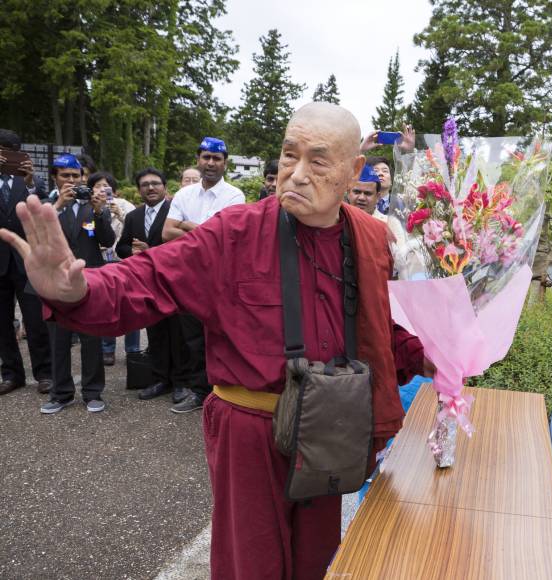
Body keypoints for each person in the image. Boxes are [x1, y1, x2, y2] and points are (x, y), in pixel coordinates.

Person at [2, 102, 427, 579]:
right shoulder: (236, 231)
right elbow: (149, 279)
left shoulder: (371, 239)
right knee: (252, 564)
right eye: (289, 156)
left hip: (329, 426)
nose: (297, 174)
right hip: (250, 430)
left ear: (354, 172)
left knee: (319, 561)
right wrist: (79, 290)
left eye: (319, 161)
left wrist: (433, 354)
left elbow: (379, 327)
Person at [162, 137, 245, 414]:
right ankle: (199, 391)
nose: (211, 163)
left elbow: (222, 238)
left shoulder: (234, 196)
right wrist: (201, 229)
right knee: (192, 337)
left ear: (225, 163)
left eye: (217, 158)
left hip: (220, 277)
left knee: (220, 334)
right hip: (188, 274)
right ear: (198, 158)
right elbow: (166, 232)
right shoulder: (185, 194)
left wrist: (184, 224)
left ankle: (223, 390)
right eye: (206, 157)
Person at [41, 154, 114, 414]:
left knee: (91, 337)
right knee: (59, 340)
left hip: (89, 279)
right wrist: (59, 204)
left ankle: (93, 392)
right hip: (56, 280)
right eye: (65, 176)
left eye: (76, 176)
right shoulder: (46, 204)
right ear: (55, 177)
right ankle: (60, 393)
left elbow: (107, 239)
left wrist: (99, 211)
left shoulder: (91, 205)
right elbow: (39, 237)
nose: (72, 181)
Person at [116, 167, 188, 404]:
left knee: (177, 334)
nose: (150, 187)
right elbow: (121, 247)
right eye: (145, 184)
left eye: (155, 183)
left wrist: (151, 251)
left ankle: (180, 382)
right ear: (139, 190)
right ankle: (159, 380)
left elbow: (184, 247)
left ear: (165, 187)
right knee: (154, 334)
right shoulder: (134, 216)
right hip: (146, 285)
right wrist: (132, 251)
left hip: (173, 283)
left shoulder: (175, 213)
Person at [0, 129, 52, 395]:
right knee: (3, 322)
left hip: (27, 261)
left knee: (35, 319)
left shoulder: (32, 181)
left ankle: (44, 373)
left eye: (12, 151)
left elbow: (43, 207)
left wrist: (31, 182)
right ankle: (11, 374)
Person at [87, 171, 140, 366]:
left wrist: (120, 214)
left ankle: (133, 349)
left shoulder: (125, 205)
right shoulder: (88, 206)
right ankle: (107, 348)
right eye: (97, 186)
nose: (102, 190)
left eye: (106, 186)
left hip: (123, 261)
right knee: (106, 308)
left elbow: (136, 228)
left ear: (113, 189)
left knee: (131, 306)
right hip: (100, 262)